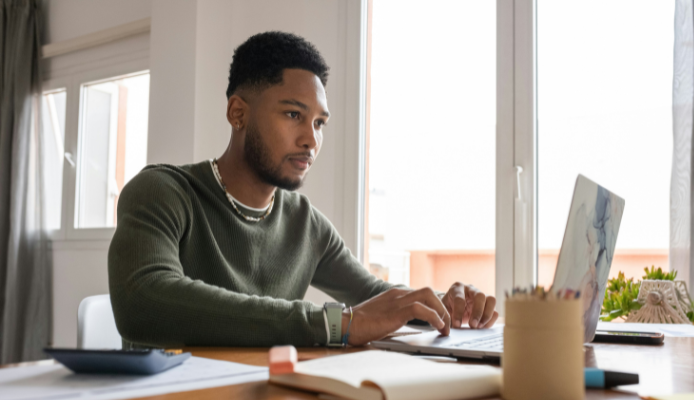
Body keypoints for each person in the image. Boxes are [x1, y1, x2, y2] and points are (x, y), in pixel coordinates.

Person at [108, 31, 498, 349]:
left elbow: (373, 296)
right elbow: (142, 299)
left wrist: (441, 303)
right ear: (238, 113)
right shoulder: (162, 191)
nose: (310, 140)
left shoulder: (304, 223)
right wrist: (337, 324)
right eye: (294, 115)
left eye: (319, 123)